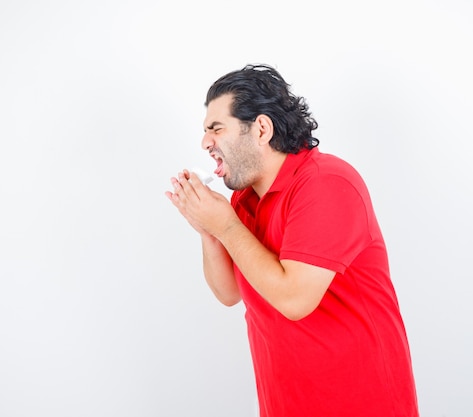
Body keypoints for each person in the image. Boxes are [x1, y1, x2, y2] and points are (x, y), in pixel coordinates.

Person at [165, 64, 419, 417]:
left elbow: (295, 298)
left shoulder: (327, 184)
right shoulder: (244, 200)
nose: (205, 142)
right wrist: (208, 229)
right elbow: (229, 293)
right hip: (286, 404)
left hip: (361, 403)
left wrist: (226, 228)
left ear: (261, 129)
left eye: (216, 128)